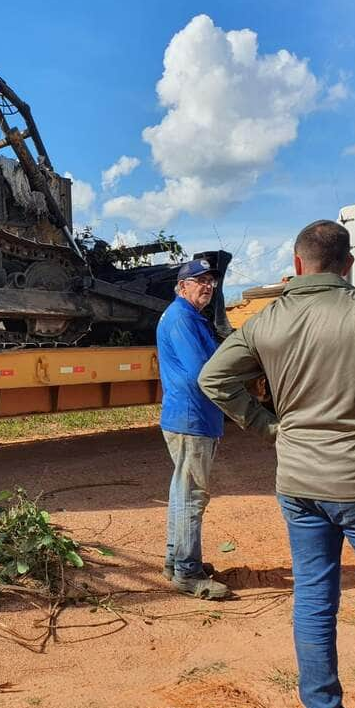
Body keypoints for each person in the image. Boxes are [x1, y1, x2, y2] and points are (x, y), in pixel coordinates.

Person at [199, 220, 355, 708]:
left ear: (297, 264)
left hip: (299, 484)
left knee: (314, 600)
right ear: (348, 264)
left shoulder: (265, 321)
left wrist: (272, 428)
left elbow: (214, 379)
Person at [155, 257, 229, 601]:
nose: (207, 286)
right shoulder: (183, 318)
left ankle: (176, 561)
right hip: (192, 417)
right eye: (200, 280)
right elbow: (207, 370)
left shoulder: (186, 317)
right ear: (182, 285)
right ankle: (187, 571)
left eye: (211, 281)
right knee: (192, 496)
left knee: (181, 492)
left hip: (190, 417)